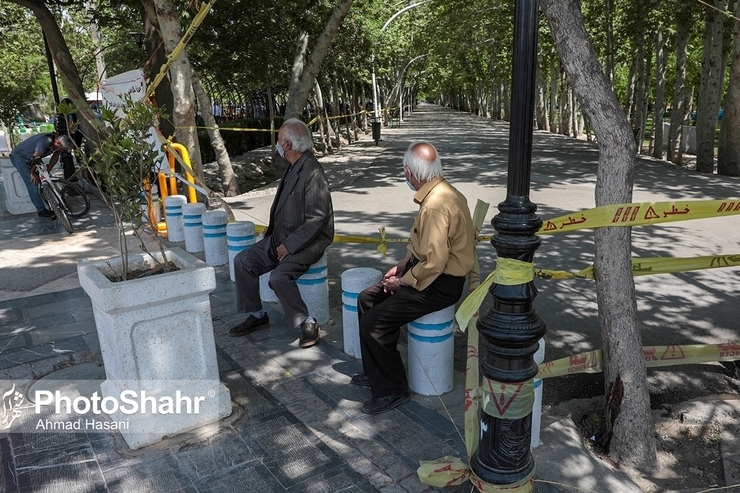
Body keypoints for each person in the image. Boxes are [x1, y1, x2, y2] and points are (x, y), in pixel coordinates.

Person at [351, 142, 476, 415]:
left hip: (440, 283)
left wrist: (403, 282)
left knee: (374, 322)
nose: (404, 175)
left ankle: (393, 390)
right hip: (427, 272)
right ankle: (376, 372)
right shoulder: (444, 193)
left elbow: (434, 262)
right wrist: (402, 265)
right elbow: (421, 246)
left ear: (410, 171)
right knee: (367, 299)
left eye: (404, 170)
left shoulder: (434, 206)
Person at [231, 118, 334, 348]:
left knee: (279, 277)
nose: (277, 143)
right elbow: (285, 204)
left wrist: (290, 245)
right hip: (281, 236)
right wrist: (272, 227)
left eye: (279, 139)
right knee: (243, 261)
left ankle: (307, 322)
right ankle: (257, 316)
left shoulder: (312, 172)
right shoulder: (292, 166)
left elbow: (318, 217)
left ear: (287, 145)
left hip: (308, 242)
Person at [9, 133, 72, 218]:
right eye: (62, 149)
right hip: (20, 157)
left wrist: (48, 169)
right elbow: (36, 157)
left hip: (34, 157)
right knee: (32, 184)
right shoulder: (45, 140)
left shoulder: (58, 142)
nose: (63, 151)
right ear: (58, 143)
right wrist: (32, 173)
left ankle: (54, 202)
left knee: (46, 178)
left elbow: (55, 156)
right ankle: (41, 210)